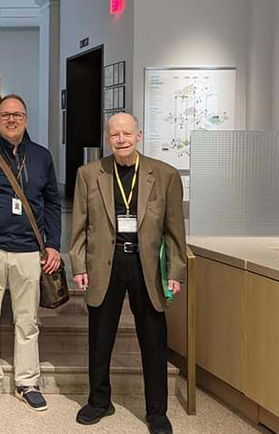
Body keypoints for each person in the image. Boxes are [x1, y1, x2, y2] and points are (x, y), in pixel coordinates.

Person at [70, 113, 185, 434]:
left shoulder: (164, 175)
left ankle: (156, 410)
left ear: (138, 135)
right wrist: (78, 265)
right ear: (108, 138)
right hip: (104, 263)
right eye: (114, 134)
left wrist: (175, 271)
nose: (120, 139)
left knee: (153, 339)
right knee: (100, 336)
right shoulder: (89, 174)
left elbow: (175, 230)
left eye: (126, 133)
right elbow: (79, 225)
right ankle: (99, 401)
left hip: (146, 264)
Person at [0, 94, 61, 412]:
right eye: (5, 115)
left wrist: (54, 244)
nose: (11, 120)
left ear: (26, 119)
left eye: (17, 115)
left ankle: (28, 382)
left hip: (29, 252)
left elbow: (54, 204)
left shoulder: (41, 157)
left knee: (27, 321)